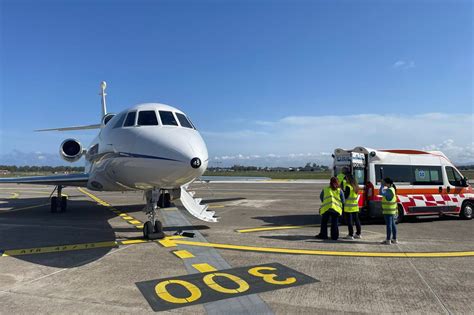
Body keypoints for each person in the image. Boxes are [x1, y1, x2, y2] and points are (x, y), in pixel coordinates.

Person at [343, 174, 361, 240]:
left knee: (350, 221)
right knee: (357, 220)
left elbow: (346, 196)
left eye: (346, 178)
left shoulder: (348, 186)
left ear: (349, 179)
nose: (346, 179)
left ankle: (350, 235)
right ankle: (358, 233)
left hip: (349, 207)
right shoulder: (356, 186)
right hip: (355, 206)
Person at [380, 177, 398, 245]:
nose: (383, 183)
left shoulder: (389, 190)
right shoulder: (392, 189)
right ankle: (394, 239)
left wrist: (382, 185)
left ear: (387, 183)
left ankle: (388, 240)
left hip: (388, 210)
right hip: (391, 210)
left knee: (389, 225)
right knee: (393, 224)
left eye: (384, 182)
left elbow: (381, 193)